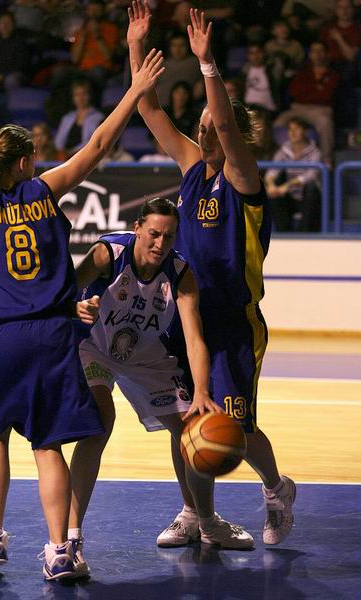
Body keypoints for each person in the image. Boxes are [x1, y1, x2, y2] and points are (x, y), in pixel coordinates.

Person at [0, 47, 165, 580]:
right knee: (47, 444)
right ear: (24, 162)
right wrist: (134, 89)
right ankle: (58, 552)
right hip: (50, 335)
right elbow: (97, 145)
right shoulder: (45, 190)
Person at [127, 1, 296, 548]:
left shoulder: (244, 178)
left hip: (234, 323)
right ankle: (196, 514)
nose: (202, 133)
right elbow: (149, 108)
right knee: (186, 421)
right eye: (199, 127)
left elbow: (224, 120)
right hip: (187, 317)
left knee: (236, 427)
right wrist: (135, 45)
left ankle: (276, 489)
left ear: (232, 137)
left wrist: (206, 64)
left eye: (209, 128)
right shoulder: (191, 167)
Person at [68, 197, 255, 577]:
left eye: (168, 237)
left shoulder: (180, 273)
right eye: (154, 233)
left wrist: (201, 391)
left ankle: (204, 522)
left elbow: (194, 339)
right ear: (137, 227)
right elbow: (63, 291)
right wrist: (75, 307)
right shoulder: (108, 253)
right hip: (94, 348)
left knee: (193, 429)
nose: (160, 243)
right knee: (101, 422)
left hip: (147, 357)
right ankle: (70, 540)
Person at [265, 117, 322, 232]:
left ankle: (305, 234)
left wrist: (288, 185)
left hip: (308, 199)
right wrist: (271, 185)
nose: (293, 132)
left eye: (297, 129)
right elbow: (272, 171)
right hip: (289, 196)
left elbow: (311, 175)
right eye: (290, 129)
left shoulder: (315, 152)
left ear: (305, 132)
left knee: (311, 188)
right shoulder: (284, 150)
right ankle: (283, 233)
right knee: (273, 188)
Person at [54, 78, 104, 160]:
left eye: (84, 94)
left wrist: (71, 153)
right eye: (77, 95)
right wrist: (62, 154)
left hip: (85, 157)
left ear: (89, 95)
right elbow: (58, 142)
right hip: (64, 158)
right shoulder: (67, 118)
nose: (81, 98)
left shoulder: (98, 117)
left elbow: (92, 142)